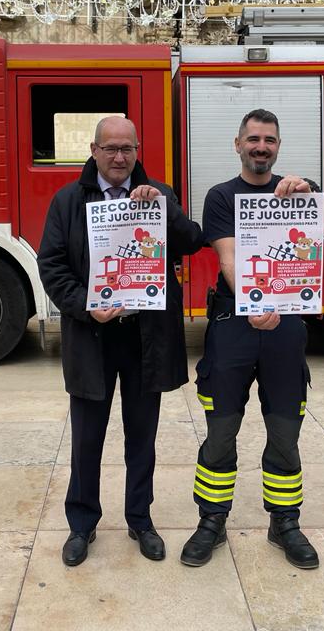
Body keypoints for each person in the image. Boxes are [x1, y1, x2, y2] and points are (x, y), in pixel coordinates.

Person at [38, 115, 203, 567]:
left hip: (144, 338)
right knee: (87, 438)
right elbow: (51, 264)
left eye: (126, 148)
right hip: (91, 335)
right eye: (109, 148)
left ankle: (140, 518)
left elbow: (192, 241)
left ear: (137, 151)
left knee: (142, 438)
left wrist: (164, 210)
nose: (118, 157)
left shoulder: (160, 195)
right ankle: (82, 524)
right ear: (93, 151)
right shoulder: (68, 200)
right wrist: (83, 304)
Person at [180, 108, 324, 570]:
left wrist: (311, 194)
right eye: (253, 139)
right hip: (234, 325)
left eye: (269, 139)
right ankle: (212, 520)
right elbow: (228, 256)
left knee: (285, 431)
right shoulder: (221, 196)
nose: (261, 147)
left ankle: (284, 522)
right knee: (221, 431)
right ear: (238, 144)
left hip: (286, 329)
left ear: (278, 146)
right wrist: (255, 301)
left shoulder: (298, 188)